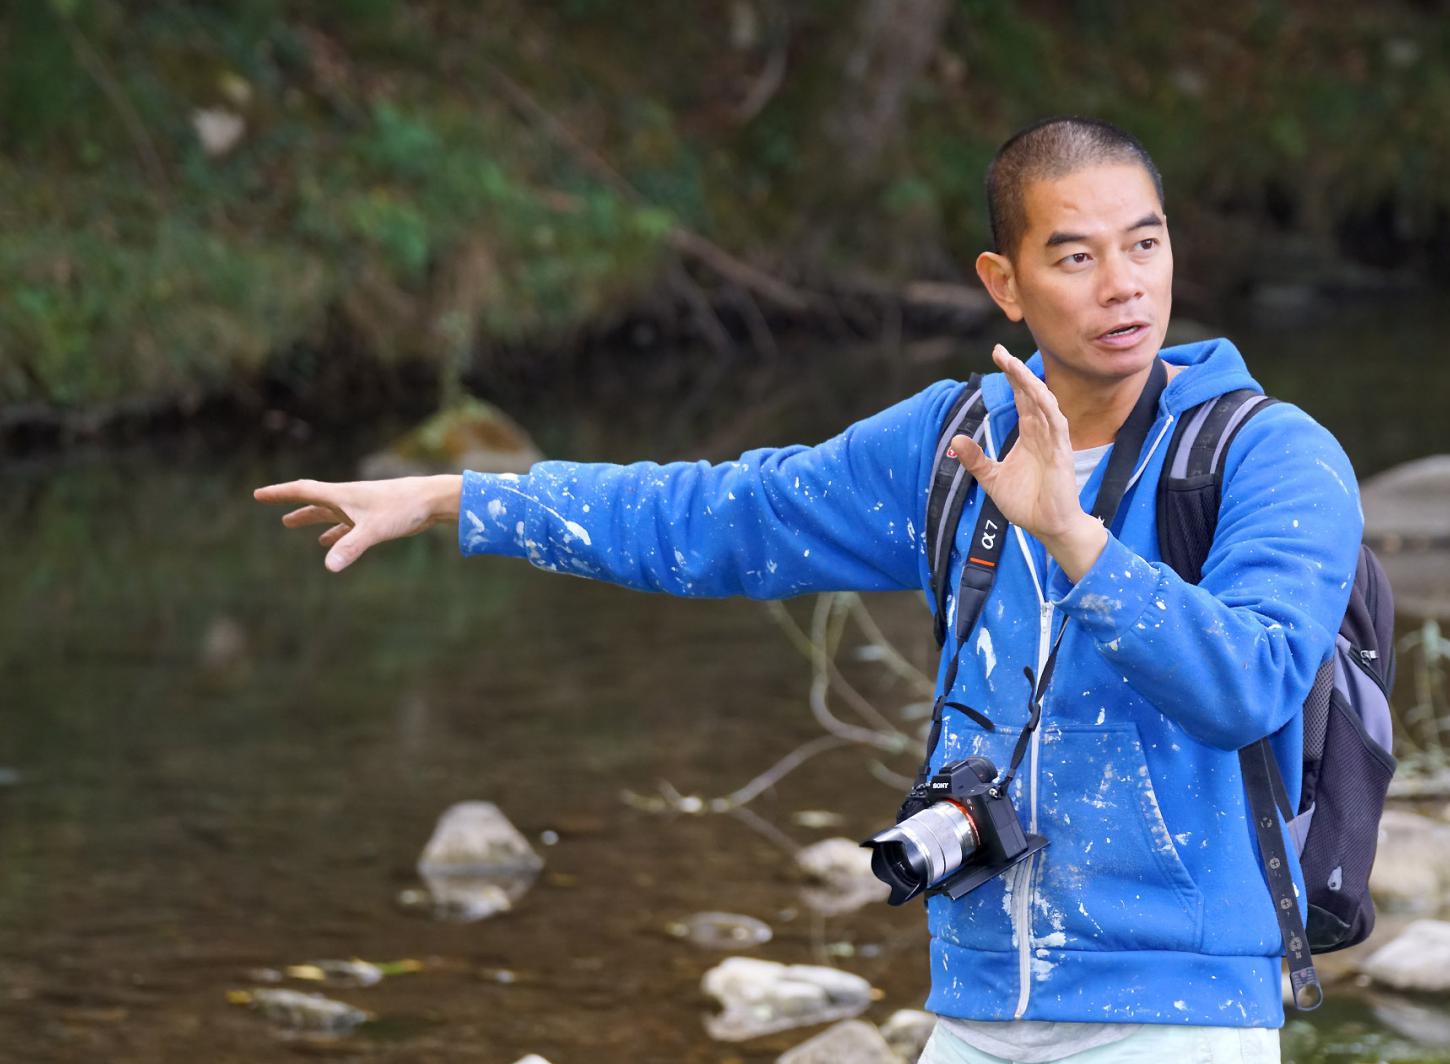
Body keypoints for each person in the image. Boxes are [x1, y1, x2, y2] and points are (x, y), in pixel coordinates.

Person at [256, 117, 1362, 1064]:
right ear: (1004, 283)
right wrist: (459, 498)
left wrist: (1075, 536)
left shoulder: (1266, 456)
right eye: (1075, 256)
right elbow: (723, 516)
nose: (1123, 285)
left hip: (1178, 1017)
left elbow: (1250, 685)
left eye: (1145, 244)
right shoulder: (950, 445)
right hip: (979, 1008)